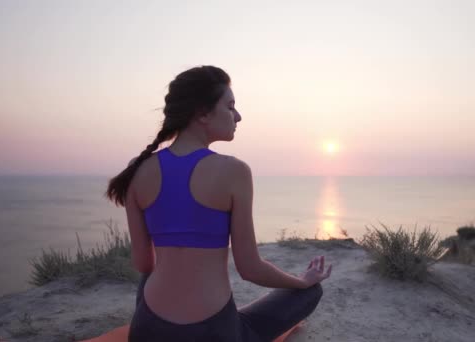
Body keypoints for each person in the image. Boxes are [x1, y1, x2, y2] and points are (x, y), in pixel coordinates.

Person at [105, 65, 332, 341]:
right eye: (230, 106)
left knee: (151, 279)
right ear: (202, 113)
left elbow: (143, 263)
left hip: (147, 329)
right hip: (213, 332)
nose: (238, 116)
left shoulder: (137, 168)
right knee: (310, 293)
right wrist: (301, 280)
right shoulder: (234, 171)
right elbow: (250, 269)